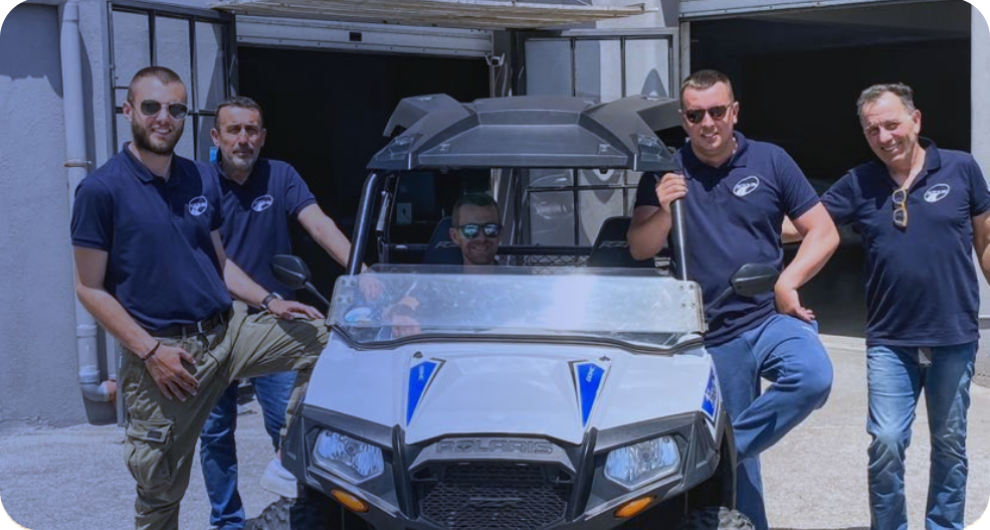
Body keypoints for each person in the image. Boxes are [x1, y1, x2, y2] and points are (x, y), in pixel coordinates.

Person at [70, 66, 327, 530]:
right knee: (160, 493)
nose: (163, 118)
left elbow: (219, 264)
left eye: (176, 109)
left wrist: (270, 301)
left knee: (323, 337)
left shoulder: (199, 178)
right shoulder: (101, 190)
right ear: (129, 111)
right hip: (168, 356)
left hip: (227, 332)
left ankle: (289, 458)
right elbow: (88, 288)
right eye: (152, 107)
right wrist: (151, 352)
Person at [627, 69, 838, 530]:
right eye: (695, 115)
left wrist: (788, 282)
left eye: (717, 111)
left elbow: (823, 231)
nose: (708, 123)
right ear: (684, 119)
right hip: (711, 334)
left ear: (734, 112)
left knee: (813, 376)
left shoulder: (770, 160)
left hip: (767, 317)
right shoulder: (665, 171)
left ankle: (716, 454)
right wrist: (664, 210)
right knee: (743, 474)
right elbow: (640, 247)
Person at [814, 83, 990, 530]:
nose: (884, 137)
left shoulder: (962, 168)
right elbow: (805, 225)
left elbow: (986, 240)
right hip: (890, 340)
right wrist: (731, 221)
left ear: (916, 120)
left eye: (892, 124)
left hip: (953, 334)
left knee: (949, 443)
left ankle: (944, 525)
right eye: (872, 130)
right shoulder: (859, 182)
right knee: (887, 442)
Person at [199, 96, 374, 528]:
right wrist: (265, 297)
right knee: (215, 433)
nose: (243, 139)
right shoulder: (199, 184)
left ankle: (302, 514)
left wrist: (363, 272)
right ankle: (227, 522)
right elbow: (215, 261)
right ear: (216, 137)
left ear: (263, 136)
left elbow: (319, 225)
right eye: (234, 130)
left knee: (289, 424)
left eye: (251, 130)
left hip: (273, 323)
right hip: (216, 322)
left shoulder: (280, 175)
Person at [387, 192, 502, 337]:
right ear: (455, 236)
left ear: (500, 233)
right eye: (471, 230)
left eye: (490, 229)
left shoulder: (518, 284)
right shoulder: (441, 285)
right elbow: (408, 303)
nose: (481, 238)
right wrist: (403, 315)